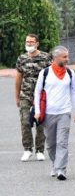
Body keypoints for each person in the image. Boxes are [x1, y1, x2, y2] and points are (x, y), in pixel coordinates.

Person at [33, 46, 75, 180]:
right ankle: (55, 164)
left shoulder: (70, 73)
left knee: (62, 142)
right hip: (48, 113)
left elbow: (74, 92)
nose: (67, 59)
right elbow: (37, 92)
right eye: (64, 57)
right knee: (51, 143)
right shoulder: (45, 73)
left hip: (64, 112)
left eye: (67, 56)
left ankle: (61, 169)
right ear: (56, 58)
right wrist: (37, 111)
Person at [15, 34, 51, 162]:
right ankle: (27, 149)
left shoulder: (45, 57)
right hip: (25, 94)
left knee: (40, 123)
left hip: (41, 95)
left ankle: (40, 150)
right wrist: (17, 96)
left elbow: (50, 76)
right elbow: (19, 77)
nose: (29, 44)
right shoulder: (22, 58)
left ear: (37, 43)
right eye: (27, 42)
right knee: (25, 122)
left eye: (31, 42)